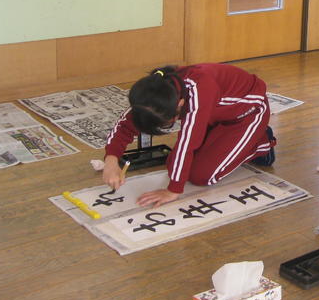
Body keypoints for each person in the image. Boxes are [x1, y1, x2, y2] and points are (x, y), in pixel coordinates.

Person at [102, 63, 276, 207]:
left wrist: (173, 191)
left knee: (202, 176)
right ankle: (233, 140)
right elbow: (125, 125)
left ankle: (260, 142)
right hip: (214, 116)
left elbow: (188, 144)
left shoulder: (200, 90)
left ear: (180, 104)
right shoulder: (153, 93)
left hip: (248, 114)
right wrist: (111, 160)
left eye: (166, 123)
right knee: (174, 166)